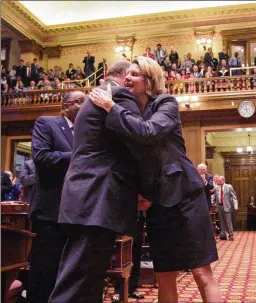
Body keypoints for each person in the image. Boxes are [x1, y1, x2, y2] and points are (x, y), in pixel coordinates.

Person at [89, 56, 222, 303]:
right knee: (165, 275)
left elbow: (147, 133)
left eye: (135, 74)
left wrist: (110, 107)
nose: (127, 77)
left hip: (186, 197)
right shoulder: (128, 111)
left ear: (149, 80)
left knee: (201, 272)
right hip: (157, 203)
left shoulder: (166, 103)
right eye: (126, 74)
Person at [48, 61, 142, 303]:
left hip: (85, 196)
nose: (132, 81)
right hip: (97, 197)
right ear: (123, 76)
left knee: (88, 282)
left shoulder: (95, 99)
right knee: (76, 282)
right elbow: (139, 141)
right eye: (130, 76)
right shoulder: (117, 94)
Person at [27, 91, 83, 303]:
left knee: (67, 274)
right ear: (66, 105)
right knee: (45, 271)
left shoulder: (85, 132)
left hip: (77, 213)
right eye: (79, 102)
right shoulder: (47, 123)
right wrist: (80, 154)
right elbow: (42, 158)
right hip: (51, 211)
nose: (84, 106)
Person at [214, 175, 238, 241]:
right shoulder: (217, 188)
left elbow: (234, 197)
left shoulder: (229, 187)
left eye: (219, 181)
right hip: (219, 206)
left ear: (223, 180)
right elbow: (215, 197)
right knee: (221, 222)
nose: (218, 182)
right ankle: (223, 234)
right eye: (218, 181)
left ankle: (231, 235)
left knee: (228, 222)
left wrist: (235, 205)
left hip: (227, 206)